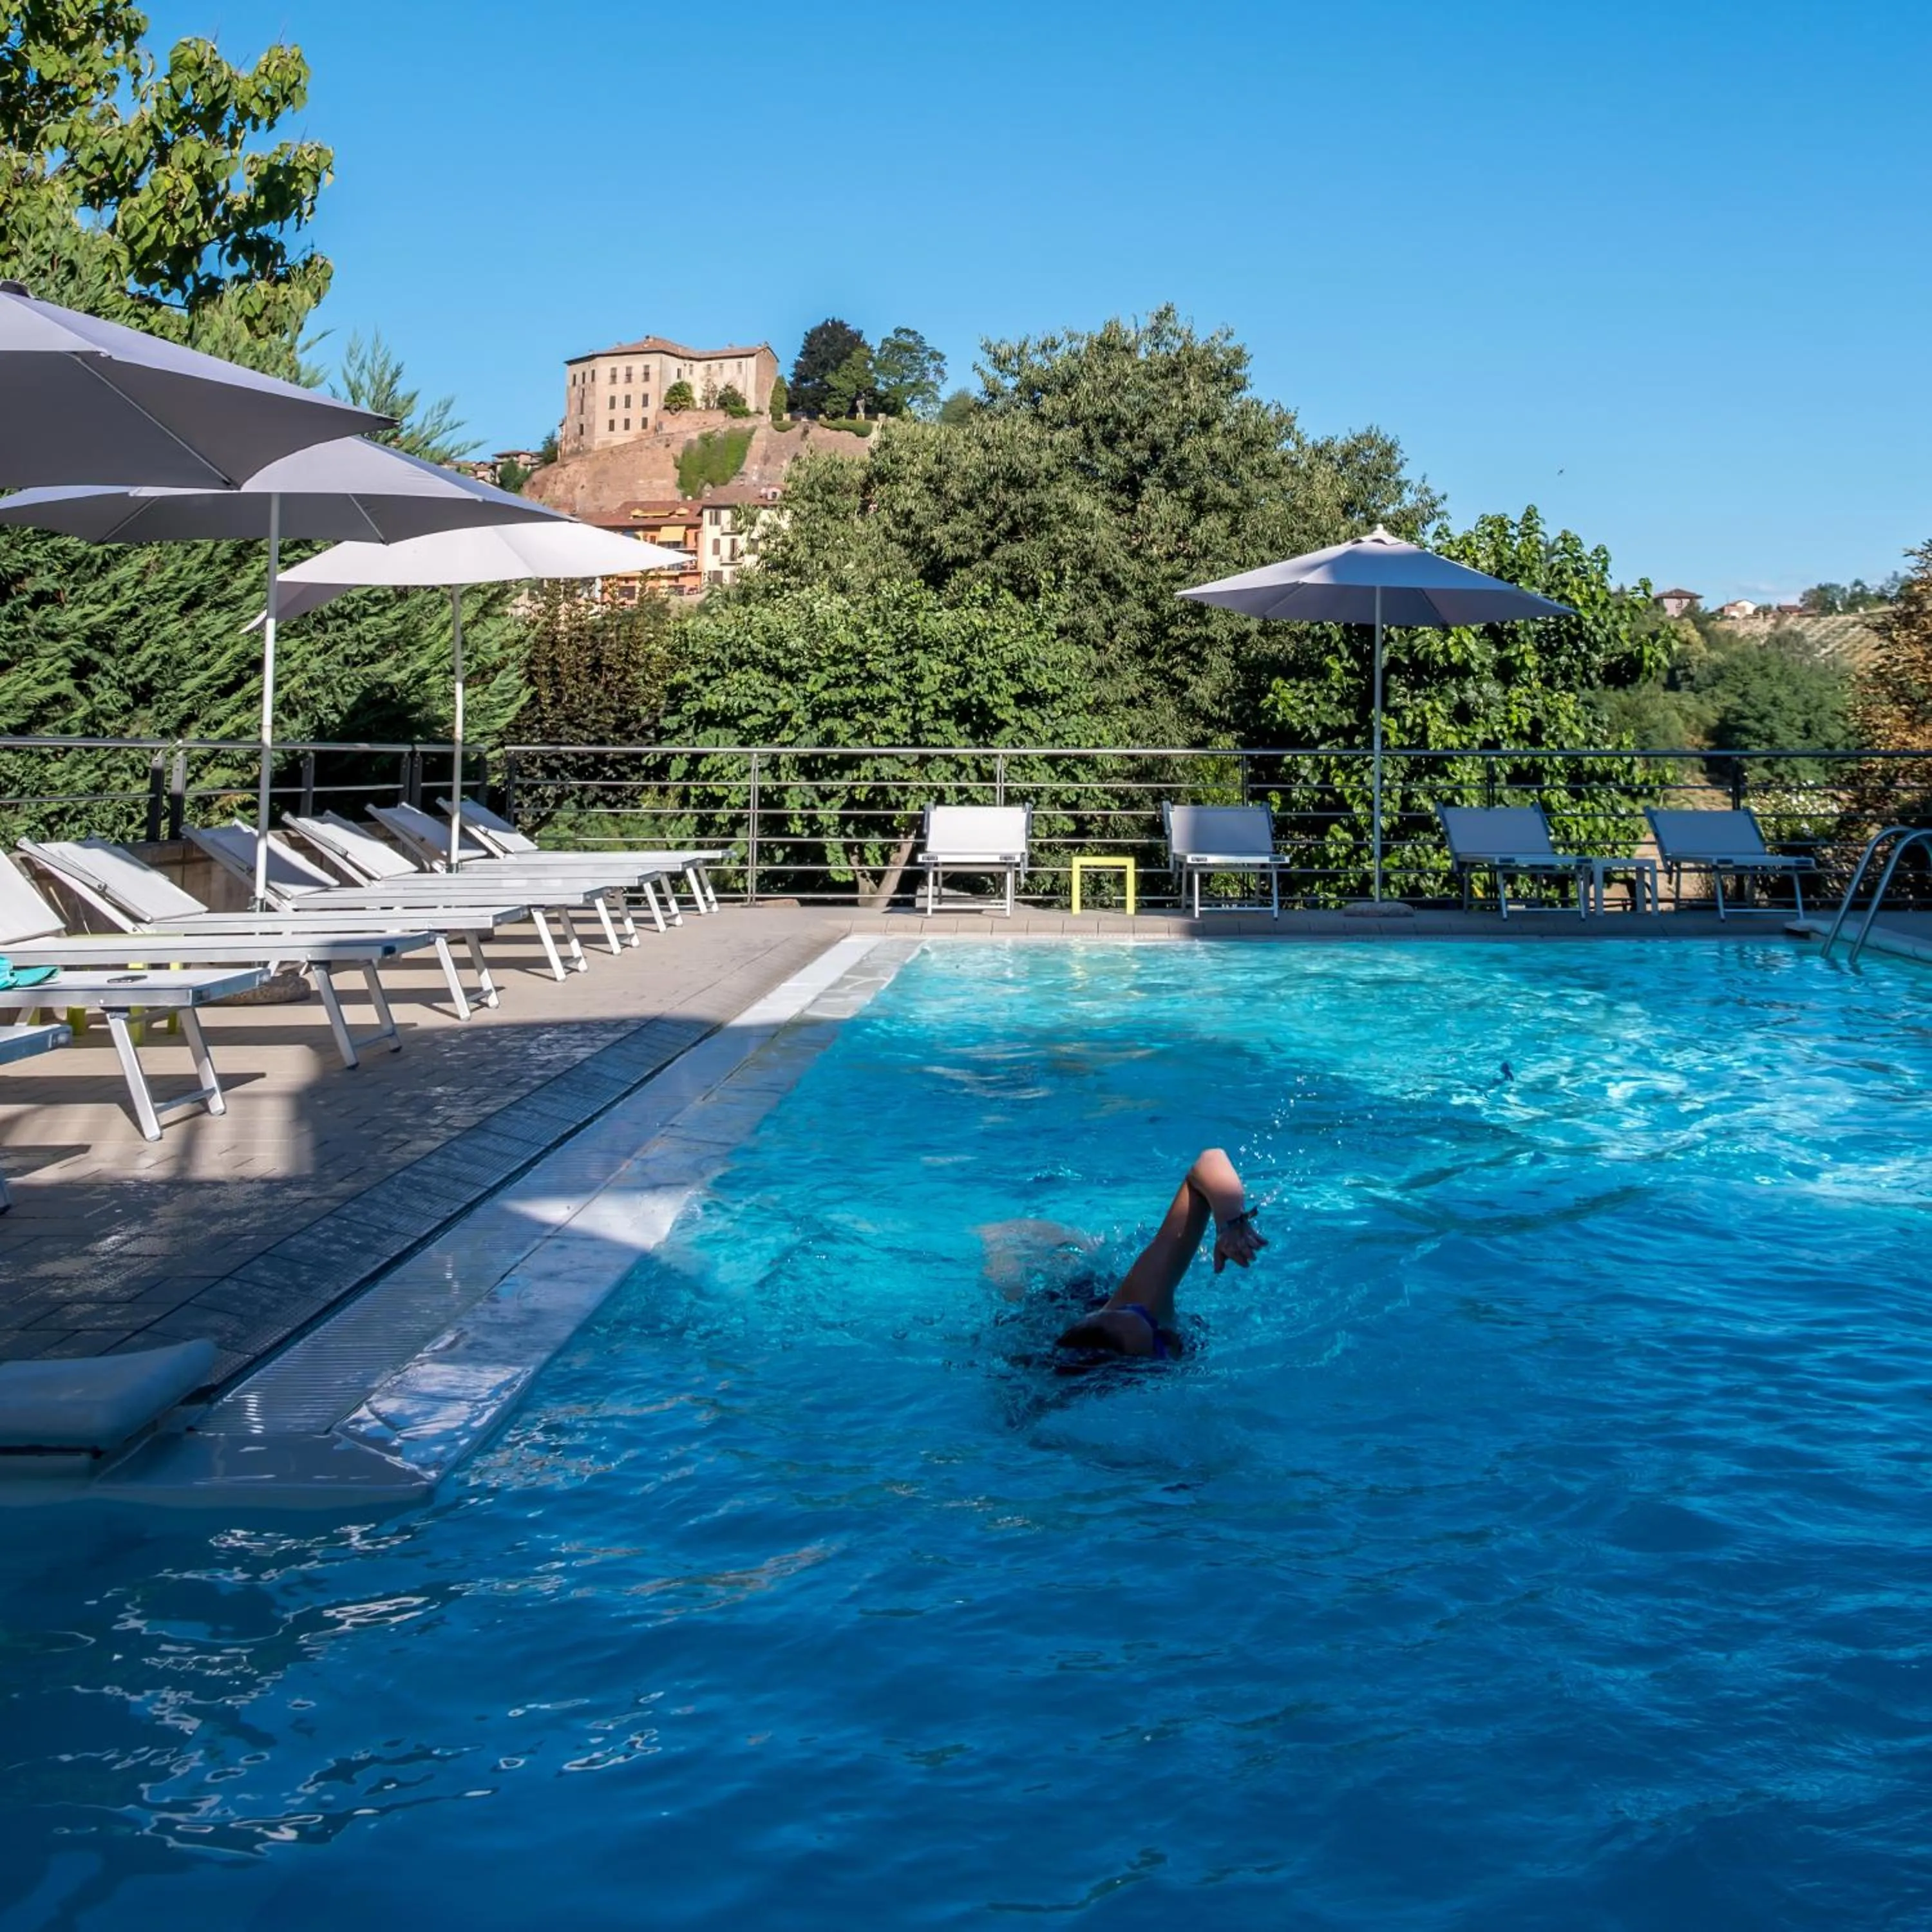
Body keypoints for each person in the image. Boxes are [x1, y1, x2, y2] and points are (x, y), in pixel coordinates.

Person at [1040, 1147, 1265, 1362]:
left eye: (1136, 1312)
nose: (1169, 1334)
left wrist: (1231, 1220)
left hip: (1069, 1293)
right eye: (1155, 1331)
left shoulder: (1142, 1302)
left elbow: (1210, 1161)